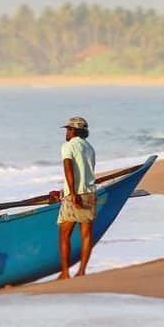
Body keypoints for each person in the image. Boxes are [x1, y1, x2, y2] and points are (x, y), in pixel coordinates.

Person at [53, 116, 97, 279]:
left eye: (68, 129)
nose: (66, 132)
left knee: (64, 233)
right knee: (86, 234)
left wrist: (72, 193)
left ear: (73, 130)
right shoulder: (89, 148)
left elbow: (68, 168)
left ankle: (65, 272)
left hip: (75, 194)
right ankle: (82, 271)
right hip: (90, 193)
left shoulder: (68, 146)